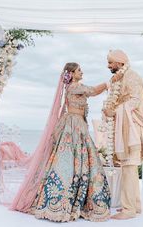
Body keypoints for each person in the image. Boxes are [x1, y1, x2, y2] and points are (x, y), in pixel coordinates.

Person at [10, 62, 111, 222]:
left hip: (78, 125)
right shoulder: (73, 87)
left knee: (81, 159)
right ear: (71, 73)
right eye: (79, 70)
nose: (82, 72)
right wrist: (109, 83)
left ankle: (81, 198)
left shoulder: (76, 86)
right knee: (67, 161)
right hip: (72, 126)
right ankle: (59, 203)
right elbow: (93, 91)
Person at [103, 50, 143, 220]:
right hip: (127, 128)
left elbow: (135, 101)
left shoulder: (131, 76)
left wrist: (114, 111)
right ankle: (135, 206)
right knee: (130, 169)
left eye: (111, 62)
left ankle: (129, 209)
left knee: (128, 168)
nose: (108, 65)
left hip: (132, 130)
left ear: (120, 62)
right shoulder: (121, 77)